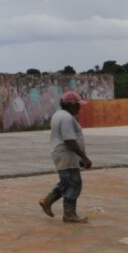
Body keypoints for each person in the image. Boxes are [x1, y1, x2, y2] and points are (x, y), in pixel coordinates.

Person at [39, 91, 91, 223]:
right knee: (74, 183)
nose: (80, 107)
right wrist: (84, 157)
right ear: (71, 105)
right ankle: (69, 214)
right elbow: (69, 140)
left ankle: (47, 201)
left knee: (66, 182)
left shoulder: (59, 115)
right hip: (65, 154)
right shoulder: (67, 118)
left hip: (62, 154)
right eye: (78, 105)